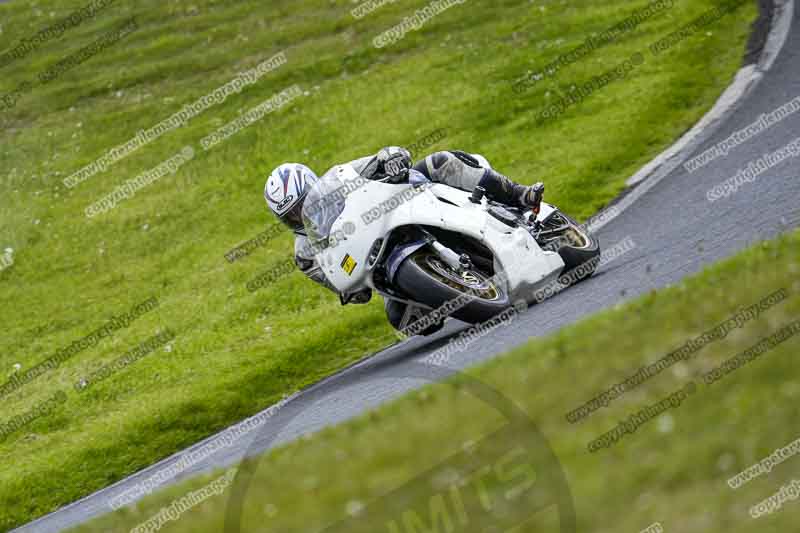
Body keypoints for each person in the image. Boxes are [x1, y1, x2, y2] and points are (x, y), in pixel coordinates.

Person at [263, 147, 543, 331]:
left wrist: (390, 159)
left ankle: (518, 194)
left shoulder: (339, 178)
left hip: (405, 207)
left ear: (314, 186)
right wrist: (348, 289)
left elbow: (384, 157)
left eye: (301, 206)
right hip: (380, 264)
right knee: (407, 320)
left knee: (439, 162)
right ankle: (456, 285)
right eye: (291, 216)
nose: (300, 217)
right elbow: (346, 288)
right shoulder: (304, 253)